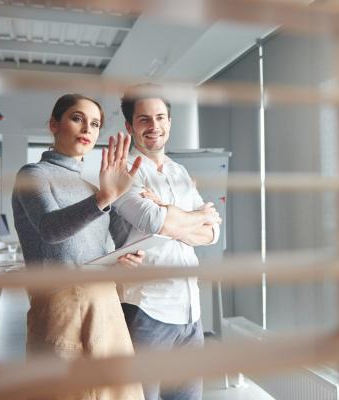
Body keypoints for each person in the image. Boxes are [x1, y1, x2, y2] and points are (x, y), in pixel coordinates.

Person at [12, 93, 144, 400]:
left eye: (95, 123)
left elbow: (96, 249)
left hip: (105, 304)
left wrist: (120, 258)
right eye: (77, 118)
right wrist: (103, 199)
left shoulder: (92, 186)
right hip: (60, 310)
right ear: (54, 125)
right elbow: (50, 229)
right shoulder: (33, 174)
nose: (87, 129)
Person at [111, 85, 222, 400]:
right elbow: (155, 223)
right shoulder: (123, 173)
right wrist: (191, 215)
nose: (154, 126)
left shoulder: (179, 171)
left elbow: (212, 234)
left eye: (160, 117)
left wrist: (169, 212)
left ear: (170, 123)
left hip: (190, 312)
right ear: (130, 127)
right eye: (144, 119)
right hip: (148, 310)